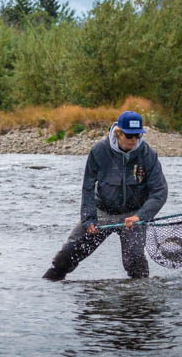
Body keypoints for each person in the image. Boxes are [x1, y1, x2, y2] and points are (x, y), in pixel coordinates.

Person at [43, 110, 168, 281]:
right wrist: (88, 219)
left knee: (135, 263)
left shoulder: (148, 155)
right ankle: (46, 288)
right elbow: (87, 187)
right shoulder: (99, 151)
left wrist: (140, 216)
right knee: (68, 254)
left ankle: (139, 300)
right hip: (103, 211)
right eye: (130, 135)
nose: (134, 140)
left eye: (138, 135)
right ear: (118, 133)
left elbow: (159, 192)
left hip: (133, 216)